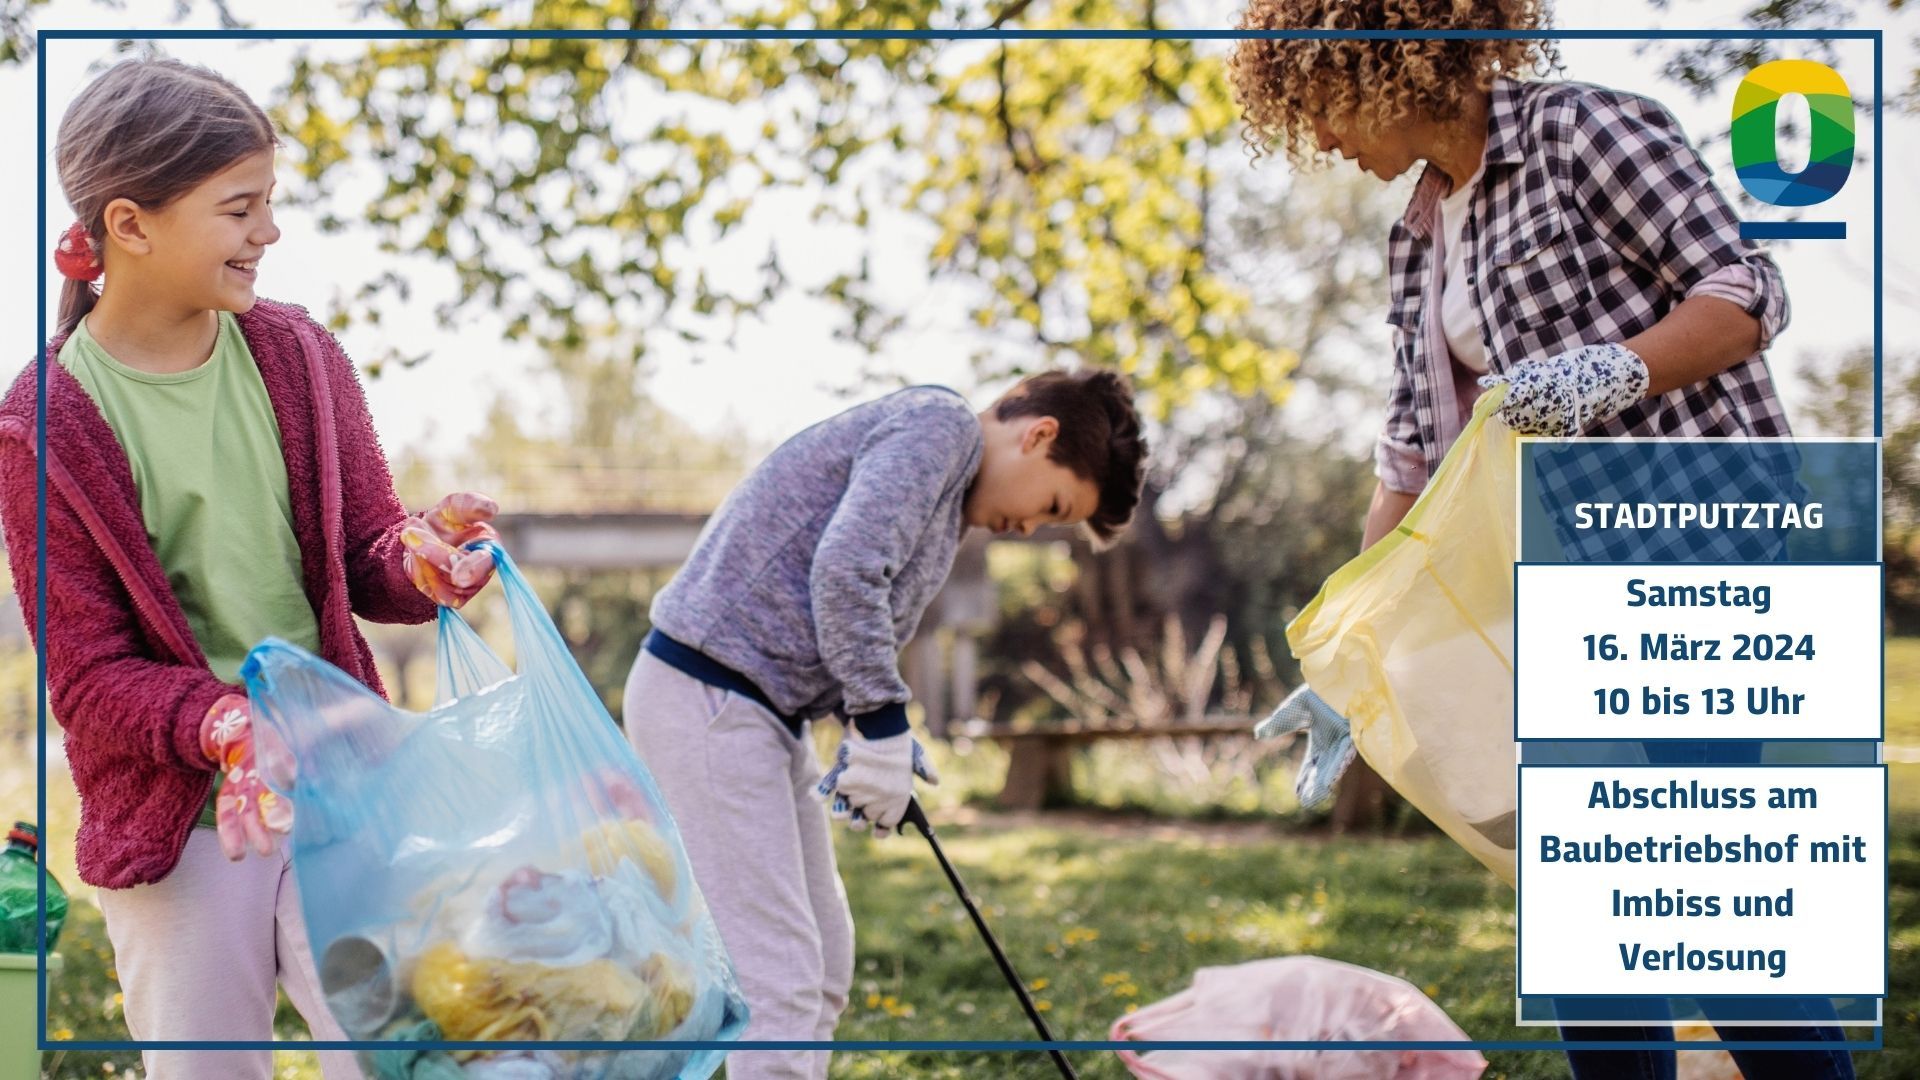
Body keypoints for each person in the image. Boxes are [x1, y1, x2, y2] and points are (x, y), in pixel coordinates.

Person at [1229, 4, 1854, 1078]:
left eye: (1315, 106)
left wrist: (1615, 368)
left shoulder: (1588, 131)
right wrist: (1349, 662)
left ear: (1375, 63)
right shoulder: (1418, 233)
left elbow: (1748, 292)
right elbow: (1410, 461)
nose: (1319, 140)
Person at [0, 58, 496, 1079]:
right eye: (239, 208)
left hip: (340, 777)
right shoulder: (41, 427)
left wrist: (422, 560)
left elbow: (367, 557)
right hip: (177, 816)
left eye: (269, 203)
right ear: (130, 226)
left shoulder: (297, 355)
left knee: (404, 1054)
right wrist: (220, 725)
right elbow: (89, 681)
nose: (268, 232)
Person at [623, 371, 1148, 1079]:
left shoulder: (949, 494)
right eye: (1051, 505)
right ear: (1039, 433)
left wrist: (876, 737)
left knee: (825, 964)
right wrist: (880, 718)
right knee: (779, 982)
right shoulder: (942, 427)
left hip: (765, 712)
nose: (1028, 528)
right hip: (708, 695)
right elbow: (844, 571)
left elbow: (838, 609)